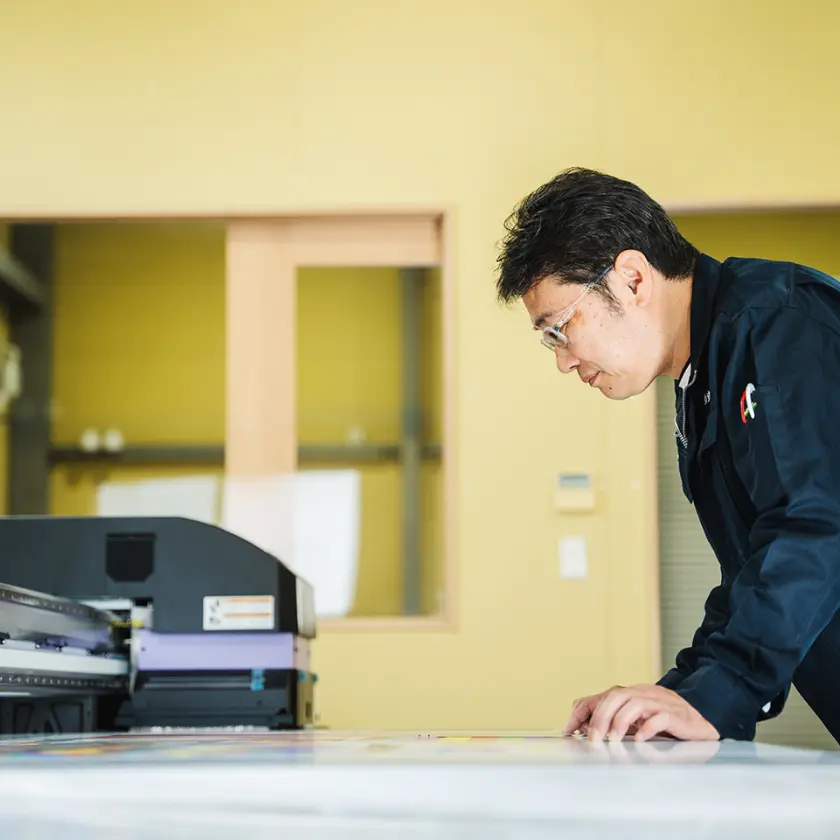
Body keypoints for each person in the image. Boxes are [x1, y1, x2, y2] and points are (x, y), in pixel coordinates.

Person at [495, 167, 840, 745]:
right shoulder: (703, 380)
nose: (562, 360)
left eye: (560, 329)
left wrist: (721, 693)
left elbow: (815, 525)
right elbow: (752, 571)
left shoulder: (777, 327)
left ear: (632, 278)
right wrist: (679, 695)